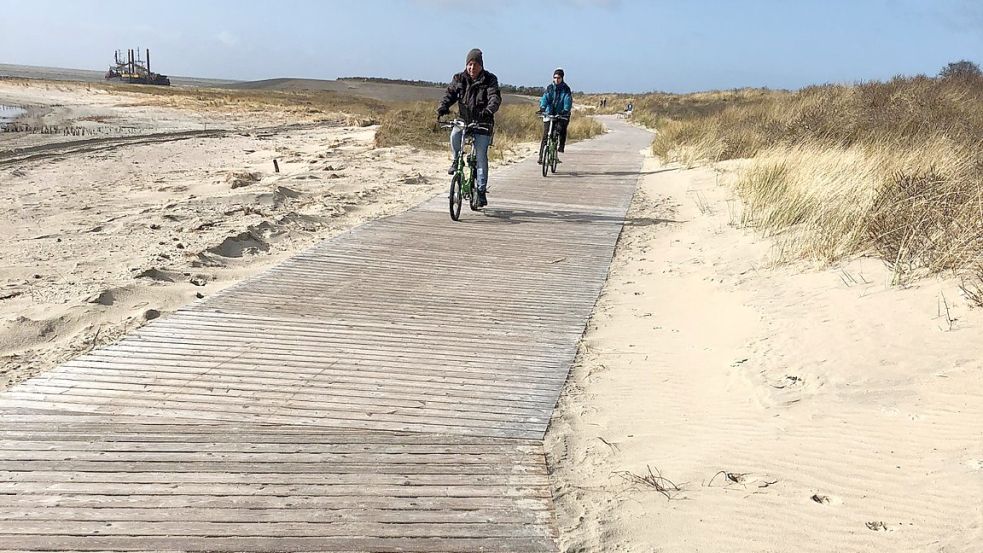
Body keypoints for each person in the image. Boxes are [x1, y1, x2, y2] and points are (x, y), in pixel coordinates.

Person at [436, 48, 501, 207]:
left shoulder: (490, 79)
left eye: (475, 64)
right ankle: (456, 159)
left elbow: (494, 97)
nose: (472, 68)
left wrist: (488, 111)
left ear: (481, 65)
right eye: (470, 64)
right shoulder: (459, 78)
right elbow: (450, 94)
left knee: (480, 156)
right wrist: (442, 107)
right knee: (454, 135)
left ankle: (480, 190)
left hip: (482, 123)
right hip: (463, 120)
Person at [537, 68, 573, 164]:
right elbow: (545, 98)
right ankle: (541, 157)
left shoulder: (566, 89)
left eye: (559, 78)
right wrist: (543, 108)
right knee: (545, 135)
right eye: (555, 77)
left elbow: (567, 100)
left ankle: (560, 146)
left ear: (562, 78)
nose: (556, 80)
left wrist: (565, 110)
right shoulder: (550, 88)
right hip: (549, 113)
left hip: (561, 114)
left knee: (561, 129)